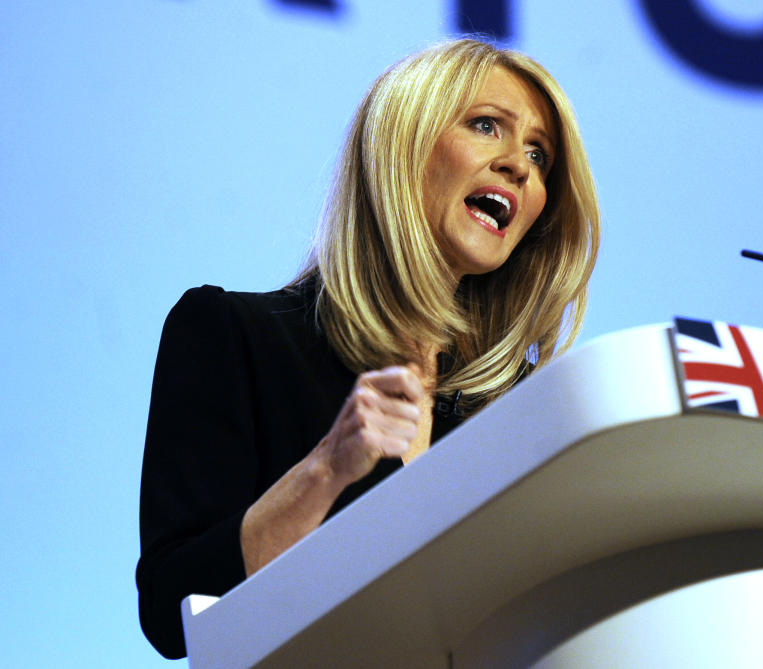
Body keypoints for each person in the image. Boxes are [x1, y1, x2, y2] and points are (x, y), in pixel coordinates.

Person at [136, 38, 600, 660]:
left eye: (540, 156)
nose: (520, 165)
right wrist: (326, 471)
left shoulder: (522, 405)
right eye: (487, 126)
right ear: (402, 142)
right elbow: (174, 611)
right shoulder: (236, 335)